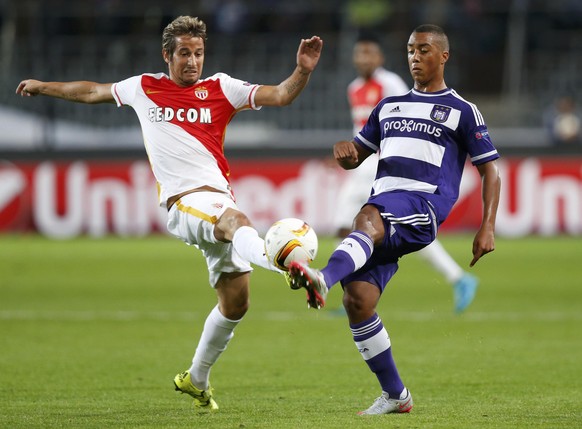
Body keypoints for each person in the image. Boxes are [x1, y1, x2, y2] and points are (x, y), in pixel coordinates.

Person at [16, 16, 323, 411]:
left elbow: (281, 95)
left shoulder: (221, 88)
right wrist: (44, 87)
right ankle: (286, 265)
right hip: (184, 202)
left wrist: (302, 70)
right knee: (238, 223)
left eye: (198, 53)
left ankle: (196, 379)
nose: (192, 61)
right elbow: (91, 91)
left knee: (236, 303)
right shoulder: (144, 87)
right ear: (167, 55)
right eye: (184, 54)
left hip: (217, 198)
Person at [288, 24, 501, 415]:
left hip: (423, 205)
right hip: (386, 203)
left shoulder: (462, 110)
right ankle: (396, 396)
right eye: (410, 50)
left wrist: (487, 225)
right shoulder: (389, 106)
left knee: (365, 217)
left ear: (443, 56)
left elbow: (490, 171)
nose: (415, 57)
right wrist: (345, 152)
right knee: (359, 301)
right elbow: (359, 154)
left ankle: (322, 277)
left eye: (423, 50)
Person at [333, 33, 479, 314]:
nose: (363, 59)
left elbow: (410, 114)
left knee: (393, 228)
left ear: (379, 59)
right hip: (363, 165)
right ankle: (354, 287)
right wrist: (352, 152)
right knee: (346, 225)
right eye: (359, 54)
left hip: (387, 166)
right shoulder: (353, 87)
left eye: (369, 54)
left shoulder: (389, 83)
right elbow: (365, 129)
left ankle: (458, 278)